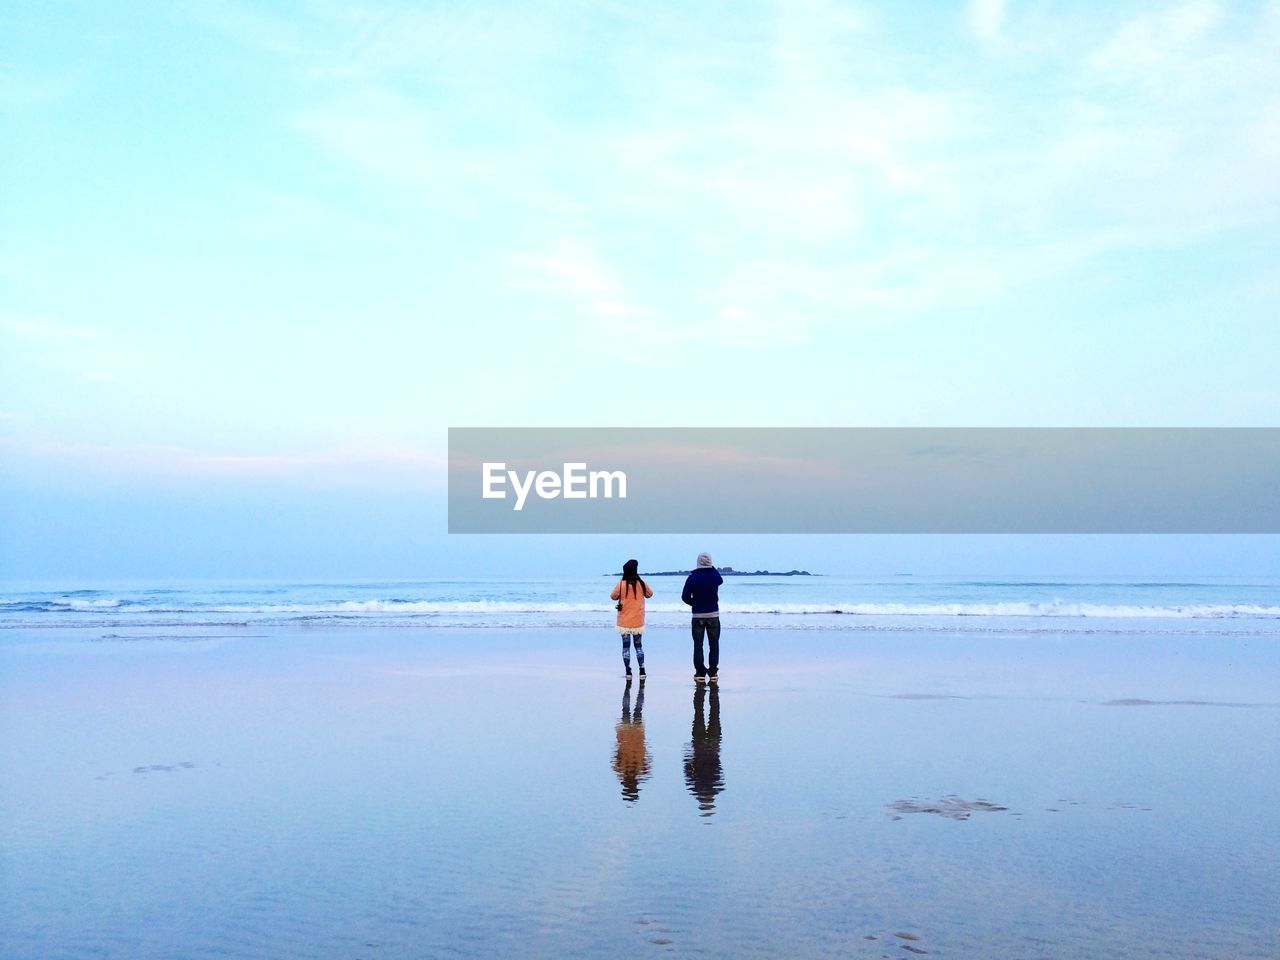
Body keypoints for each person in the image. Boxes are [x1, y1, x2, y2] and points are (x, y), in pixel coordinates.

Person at [681, 552, 723, 683]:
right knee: (714, 644)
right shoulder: (715, 576)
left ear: (698, 562)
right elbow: (720, 580)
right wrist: (712, 567)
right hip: (713, 615)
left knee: (698, 645)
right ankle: (713, 672)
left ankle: (700, 672)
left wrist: (694, 603)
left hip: (698, 615)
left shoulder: (692, 577)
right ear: (711, 563)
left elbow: (684, 597)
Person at [610, 558, 653, 679]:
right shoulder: (641, 583)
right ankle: (642, 670)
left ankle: (628, 671)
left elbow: (613, 596)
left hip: (624, 621)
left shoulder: (621, 583)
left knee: (626, 647)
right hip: (638, 621)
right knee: (638, 646)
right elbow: (650, 594)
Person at [612, 677, 651, 802]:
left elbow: (615, 755)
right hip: (632, 737)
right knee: (629, 710)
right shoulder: (640, 771)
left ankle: (637, 688)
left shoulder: (634, 771)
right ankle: (636, 688)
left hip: (629, 736)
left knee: (635, 710)